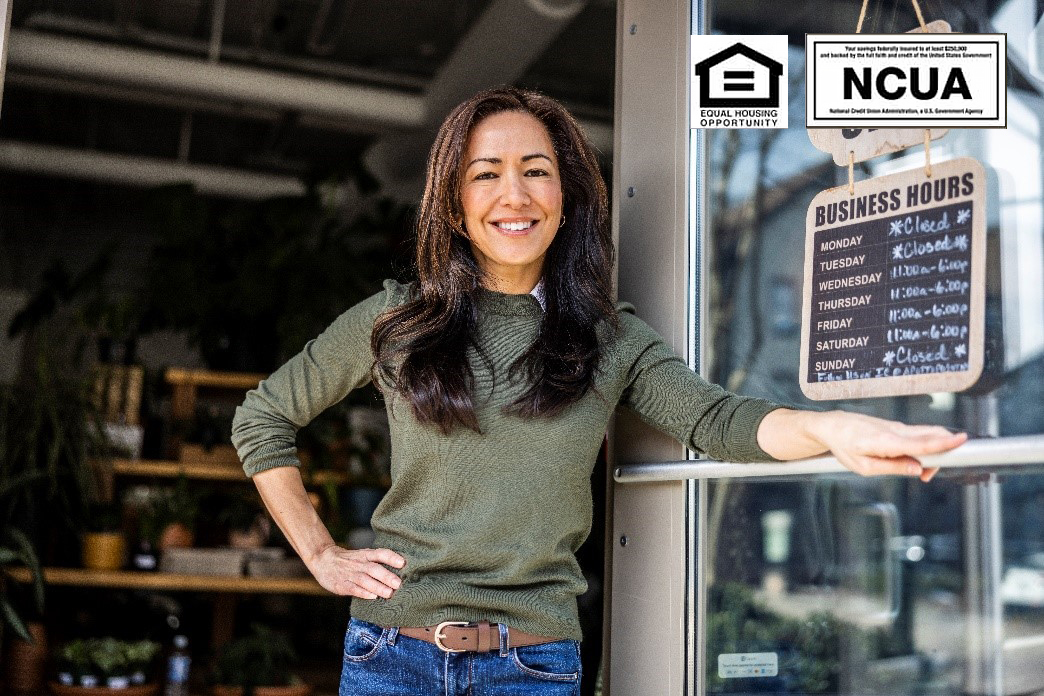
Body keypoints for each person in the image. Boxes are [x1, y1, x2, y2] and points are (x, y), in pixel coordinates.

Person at [231, 87, 966, 695]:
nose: (513, 195)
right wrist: (320, 552)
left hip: (532, 667)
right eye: (485, 173)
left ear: (568, 194)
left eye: (536, 170)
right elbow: (262, 418)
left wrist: (834, 431)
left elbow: (718, 419)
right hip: (389, 657)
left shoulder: (610, 341)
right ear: (453, 205)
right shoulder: (396, 322)